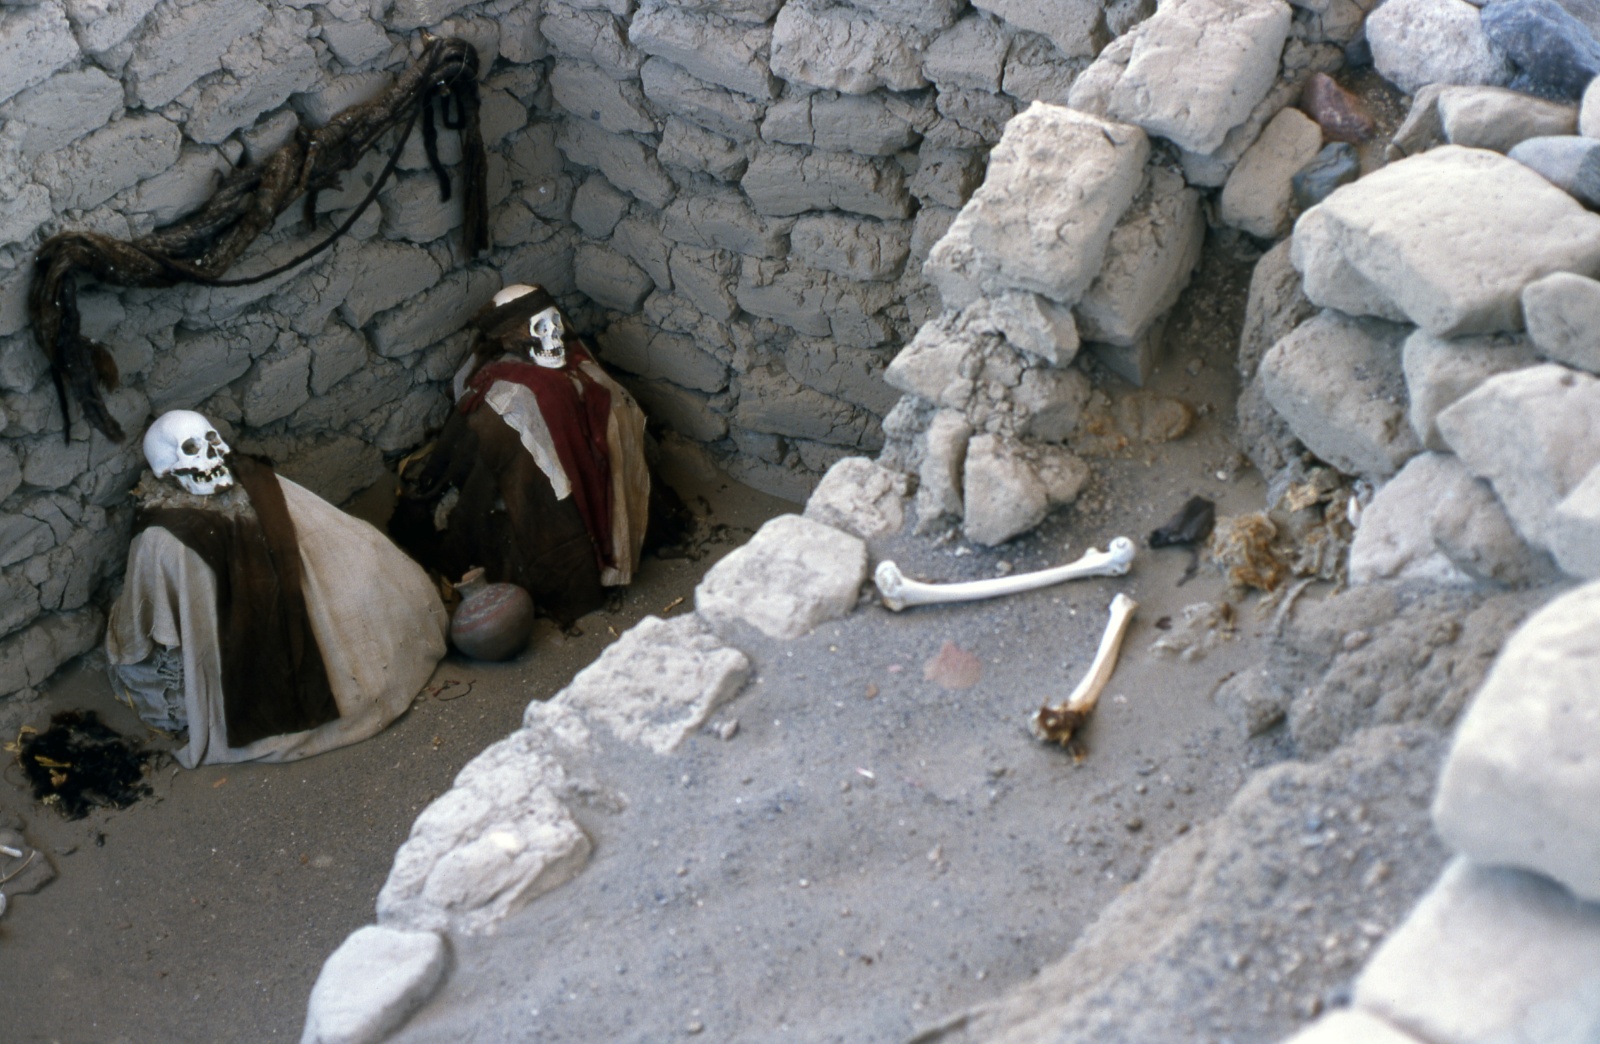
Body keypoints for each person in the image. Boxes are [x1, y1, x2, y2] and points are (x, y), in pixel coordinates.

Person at [106, 410, 449, 767]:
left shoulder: (251, 481)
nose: (211, 457)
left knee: (361, 583)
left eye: (212, 443)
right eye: (192, 450)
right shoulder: (163, 543)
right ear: (166, 470)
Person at [391, 284, 674, 627]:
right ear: (511, 338)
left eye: (556, 325)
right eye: (541, 329)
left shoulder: (581, 367)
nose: (554, 337)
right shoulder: (497, 400)